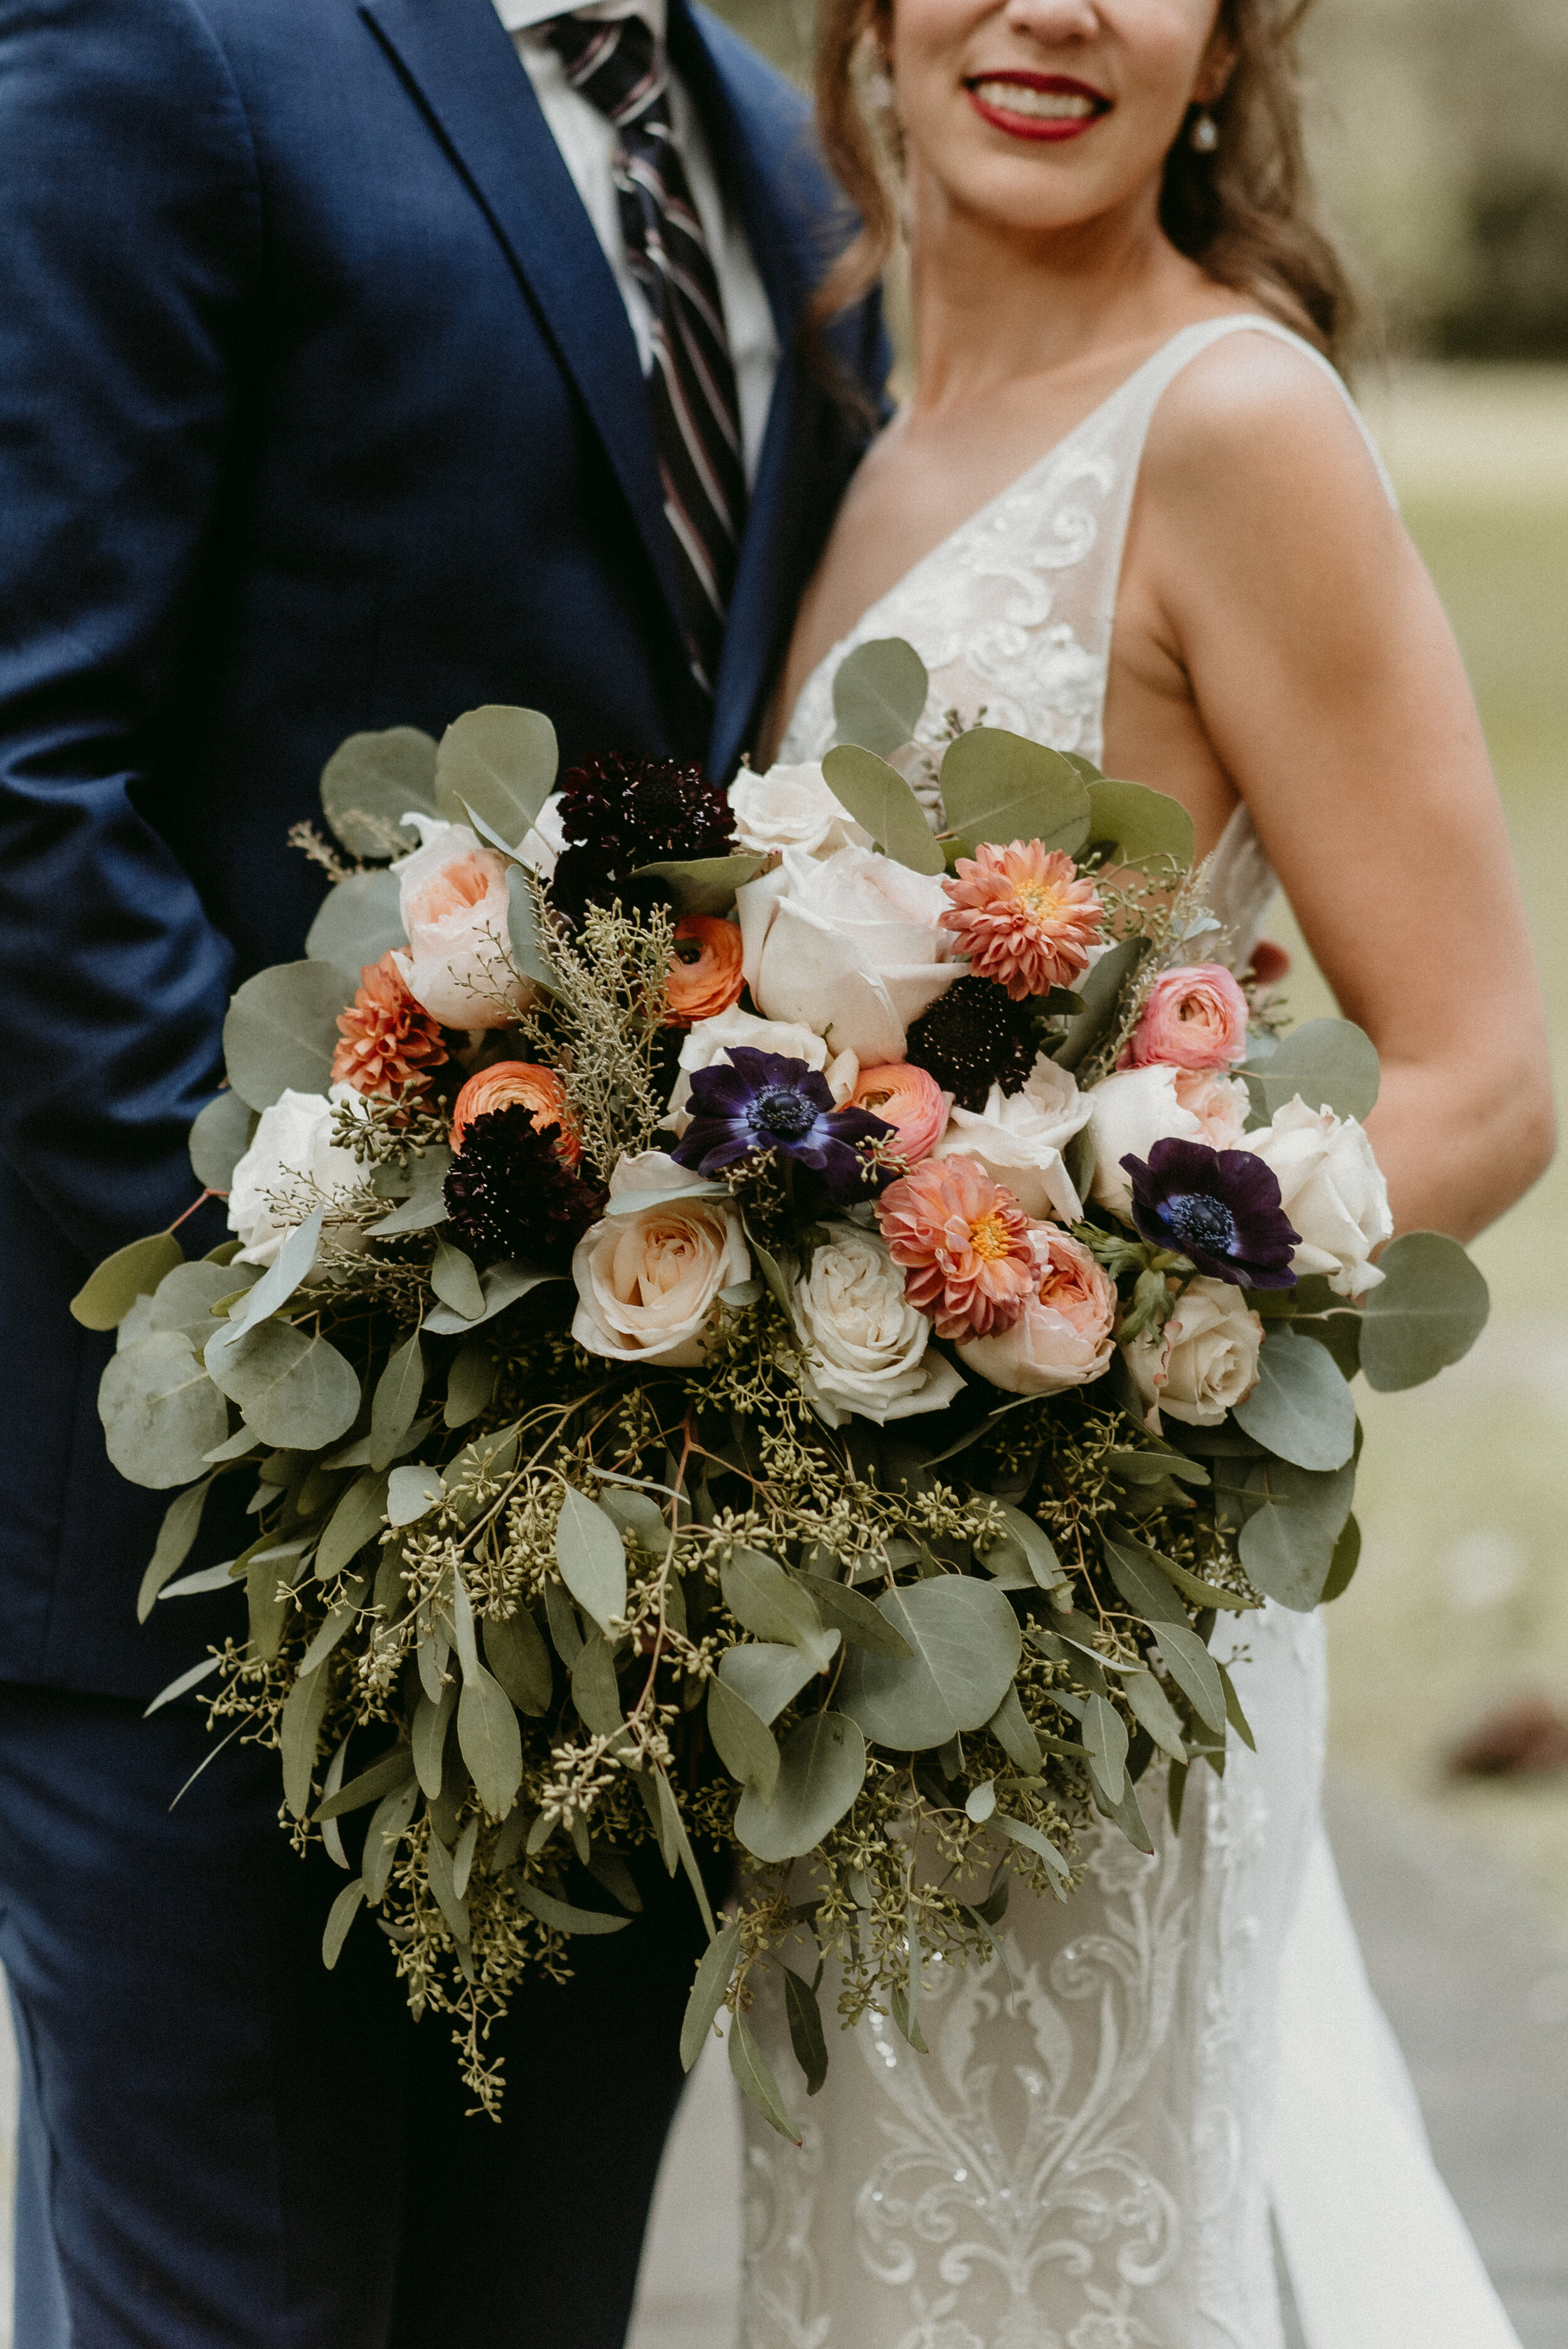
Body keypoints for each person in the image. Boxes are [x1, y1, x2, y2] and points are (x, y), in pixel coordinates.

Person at [0, 1, 884, 2341]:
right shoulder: (171, 45)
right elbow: (26, 767)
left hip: (630, 1568)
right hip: (200, 1546)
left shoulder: (790, 156)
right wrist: (314, 1301)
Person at [738, 1, 1555, 2344]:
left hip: (1086, 1601)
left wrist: (1081, 1361)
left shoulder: (1227, 423)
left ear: (1226, 48)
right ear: (871, 18)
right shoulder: (867, 430)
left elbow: (1483, 1077)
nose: (1062, 8)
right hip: (857, 1641)